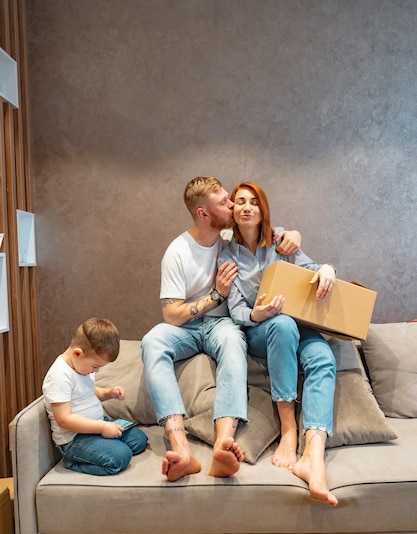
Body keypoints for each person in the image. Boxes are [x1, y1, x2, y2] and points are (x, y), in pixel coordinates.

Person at [141, 176, 301, 482]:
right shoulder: (177, 252)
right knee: (152, 341)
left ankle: (223, 444)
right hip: (186, 327)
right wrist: (215, 295)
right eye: (225, 202)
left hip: (221, 324)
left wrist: (294, 234)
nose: (232, 206)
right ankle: (181, 449)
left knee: (232, 341)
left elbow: (267, 232)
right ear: (203, 213)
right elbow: (172, 315)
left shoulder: (229, 240)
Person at [218, 181, 338, 506]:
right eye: (240, 201)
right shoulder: (226, 254)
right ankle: (288, 431)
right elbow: (237, 310)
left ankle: (313, 453)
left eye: (253, 202)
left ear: (262, 209)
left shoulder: (282, 240)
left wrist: (327, 269)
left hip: (299, 325)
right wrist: (256, 313)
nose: (247, 207)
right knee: (281, 324)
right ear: (232, 210)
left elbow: (313, 269)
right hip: (261, 331)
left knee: (323, 357)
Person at [43, 317, 148, 475]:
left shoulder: (82, 367)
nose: (96, 371)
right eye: (95, 366)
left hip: (96, 425)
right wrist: (103, 428)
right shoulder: (59, 376)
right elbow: (64, 419)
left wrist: (109, 392)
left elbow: (90, 392)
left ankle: (104, 447)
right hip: (76, 439)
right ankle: (72, 462)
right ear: (77, 353)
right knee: (121, 457)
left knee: (139, 440)